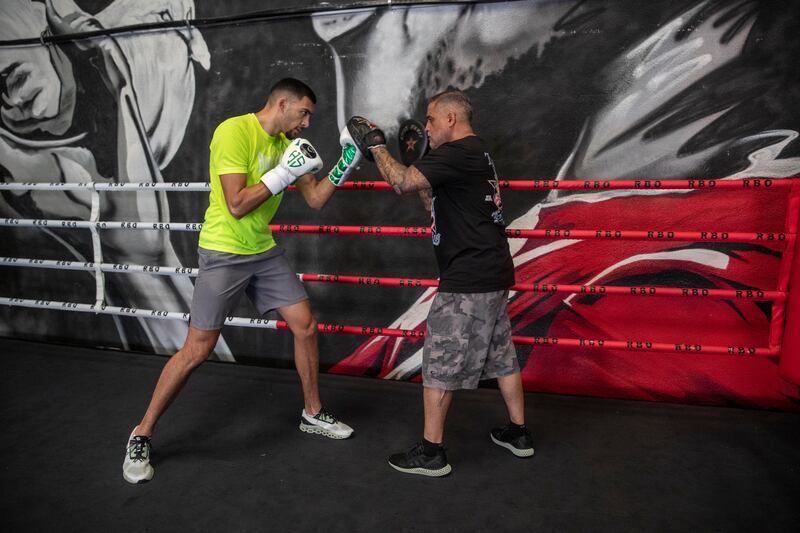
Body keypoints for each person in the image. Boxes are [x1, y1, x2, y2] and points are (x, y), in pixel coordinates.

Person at [122, 78, 362, 484]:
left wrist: (346, 161)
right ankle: (141, 433)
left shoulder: (288, 146)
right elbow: (235, 205)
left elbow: (316, 198)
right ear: (282, 104)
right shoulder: (234, 131)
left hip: (262, 251)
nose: (306, 123)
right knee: (198, 349)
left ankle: (312, 412)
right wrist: (284, 173)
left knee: (305, 326)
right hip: (223, 251)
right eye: (303, 113)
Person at [348, 89, 533, 477]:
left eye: (432, 119)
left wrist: (376, 146)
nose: (427, 125)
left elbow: (399, 182)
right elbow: (429, 200)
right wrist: (424, 162)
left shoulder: (458, 153)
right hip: (492, 272)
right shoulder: (474, 152)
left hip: (468, 278)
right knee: (501, 354)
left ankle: (432, 452)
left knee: (439, 363)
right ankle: (518, 433)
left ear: (451, 118)